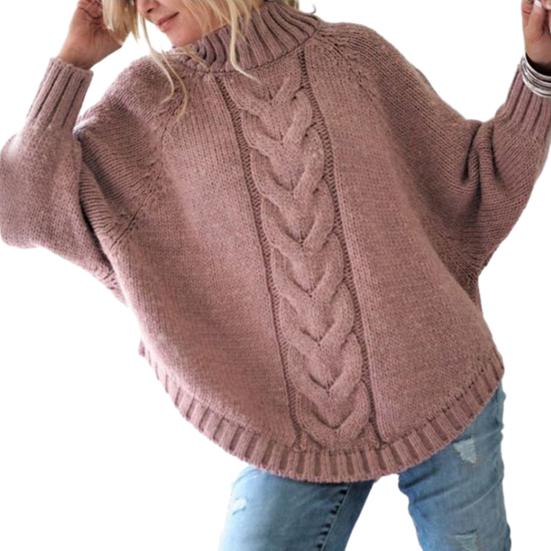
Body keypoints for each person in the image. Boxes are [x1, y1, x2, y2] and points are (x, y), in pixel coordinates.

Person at [1, 1, 550, 549]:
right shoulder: (151, 102)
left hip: (444, 387)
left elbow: (480, 181)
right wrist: (73, 60)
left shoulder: (353, 57)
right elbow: (20, 209)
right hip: (290, 430)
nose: (145, 7)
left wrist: (540, 69)